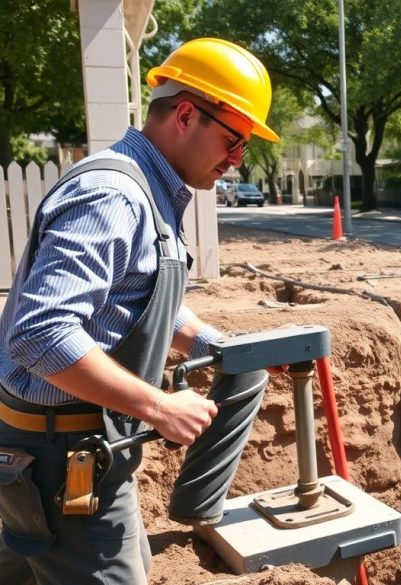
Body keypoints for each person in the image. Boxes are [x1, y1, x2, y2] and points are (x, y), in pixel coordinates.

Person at [0, 38, 281, 584]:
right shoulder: (113, 195)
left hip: (79, 443)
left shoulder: (150, 189)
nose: (236, 160)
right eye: (233, 140)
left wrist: (215, 345)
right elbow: (41, 333)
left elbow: (132, 300)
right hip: (60, 457)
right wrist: (159, 406)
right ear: (185, 115)